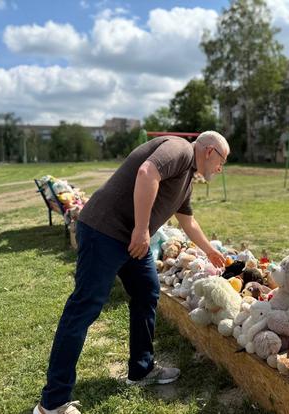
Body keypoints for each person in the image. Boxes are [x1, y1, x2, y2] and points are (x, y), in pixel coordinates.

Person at [34, 131, 229, 414]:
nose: (221, 168)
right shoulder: (180, 149)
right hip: (105, 231)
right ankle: (52, 403)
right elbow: (147, 172)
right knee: (83, 308)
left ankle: (141, 369)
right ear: (210, 151)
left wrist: (210, 250)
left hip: (130, 241)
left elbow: (187, 221)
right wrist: (141, 229)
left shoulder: (187, 176)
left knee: (147, 291)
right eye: (222, 161)